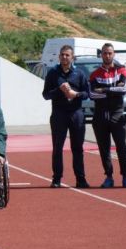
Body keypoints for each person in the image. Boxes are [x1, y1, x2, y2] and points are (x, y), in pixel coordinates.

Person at [42, 45, 91, 188]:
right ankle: (56, 179)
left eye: (67, 55)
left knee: (78, 148)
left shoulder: (80, 74)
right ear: (59, 57)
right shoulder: (53, 73)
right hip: (59, 114)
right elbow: (45, 95)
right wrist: (59, 90)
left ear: (72, 57)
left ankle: (80, 179)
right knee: (57, 148)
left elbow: (87, 93)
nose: (64, 57)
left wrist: (75, 94)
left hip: (76, 114)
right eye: (62, 55)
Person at [89, 43, 126, 188]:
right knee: (104, 148)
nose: (107, 55)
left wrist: (105, 90)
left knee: (121, 146)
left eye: (110, 53)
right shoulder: (95, 74)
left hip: (117, 113)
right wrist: (112, 91)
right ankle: (109, 176)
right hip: (100, 115)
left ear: (114, 54)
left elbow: (124, 90)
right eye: (105, 53)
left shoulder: (122, 71)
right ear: (101, 55)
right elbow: (93, 94)